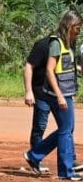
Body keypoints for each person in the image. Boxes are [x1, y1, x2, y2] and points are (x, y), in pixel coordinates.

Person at [24, 10, 83, 180]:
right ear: (68, 25)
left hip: (67, 91)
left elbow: (64, 67)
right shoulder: (55, 43)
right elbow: (50, 70)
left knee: (67, 129)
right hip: (57, 93)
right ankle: (66, 171)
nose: (78, 31)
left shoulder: (68, 43)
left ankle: (35, 155)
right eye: (77, 28)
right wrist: (59, 95)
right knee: (64, 131)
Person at [24, 34, 55, 174]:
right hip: (41, 92)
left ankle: (69, 160)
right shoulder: (43, 45)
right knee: (40, 126)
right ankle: (36, 159)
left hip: (60, 93)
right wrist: (29, 91)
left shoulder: (68, 45)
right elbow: (29, 66)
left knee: (66, 128)